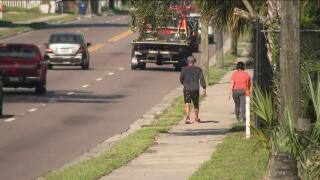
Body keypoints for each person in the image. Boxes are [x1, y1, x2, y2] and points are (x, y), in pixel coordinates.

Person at [180, 56, 206, 124]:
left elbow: (181, 79)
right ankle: (196, 119)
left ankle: (187, 118)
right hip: (195, 89)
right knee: (196, 104)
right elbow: (202, 79)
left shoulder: (184, 69)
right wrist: (204, 88)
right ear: (194, 61)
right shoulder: (198, 69)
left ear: (187, 62)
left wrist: (185, 84)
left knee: (187, 103)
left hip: (187, 89)